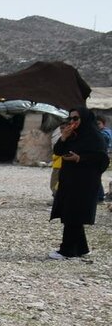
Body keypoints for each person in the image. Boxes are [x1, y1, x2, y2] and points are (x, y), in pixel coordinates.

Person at [49, 108, 109, 259]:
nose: (72, 122)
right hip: (70, 181)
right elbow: (58, 151)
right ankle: (82, 249)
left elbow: (102, 160)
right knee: (72, 214)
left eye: (76, 119)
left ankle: (66, 251)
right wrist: (63, 138)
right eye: (70, 119)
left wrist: (79, 158)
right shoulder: (73, 135)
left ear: (85, 119)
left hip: (85, 183)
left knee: (73, 215)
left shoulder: (95, 137)